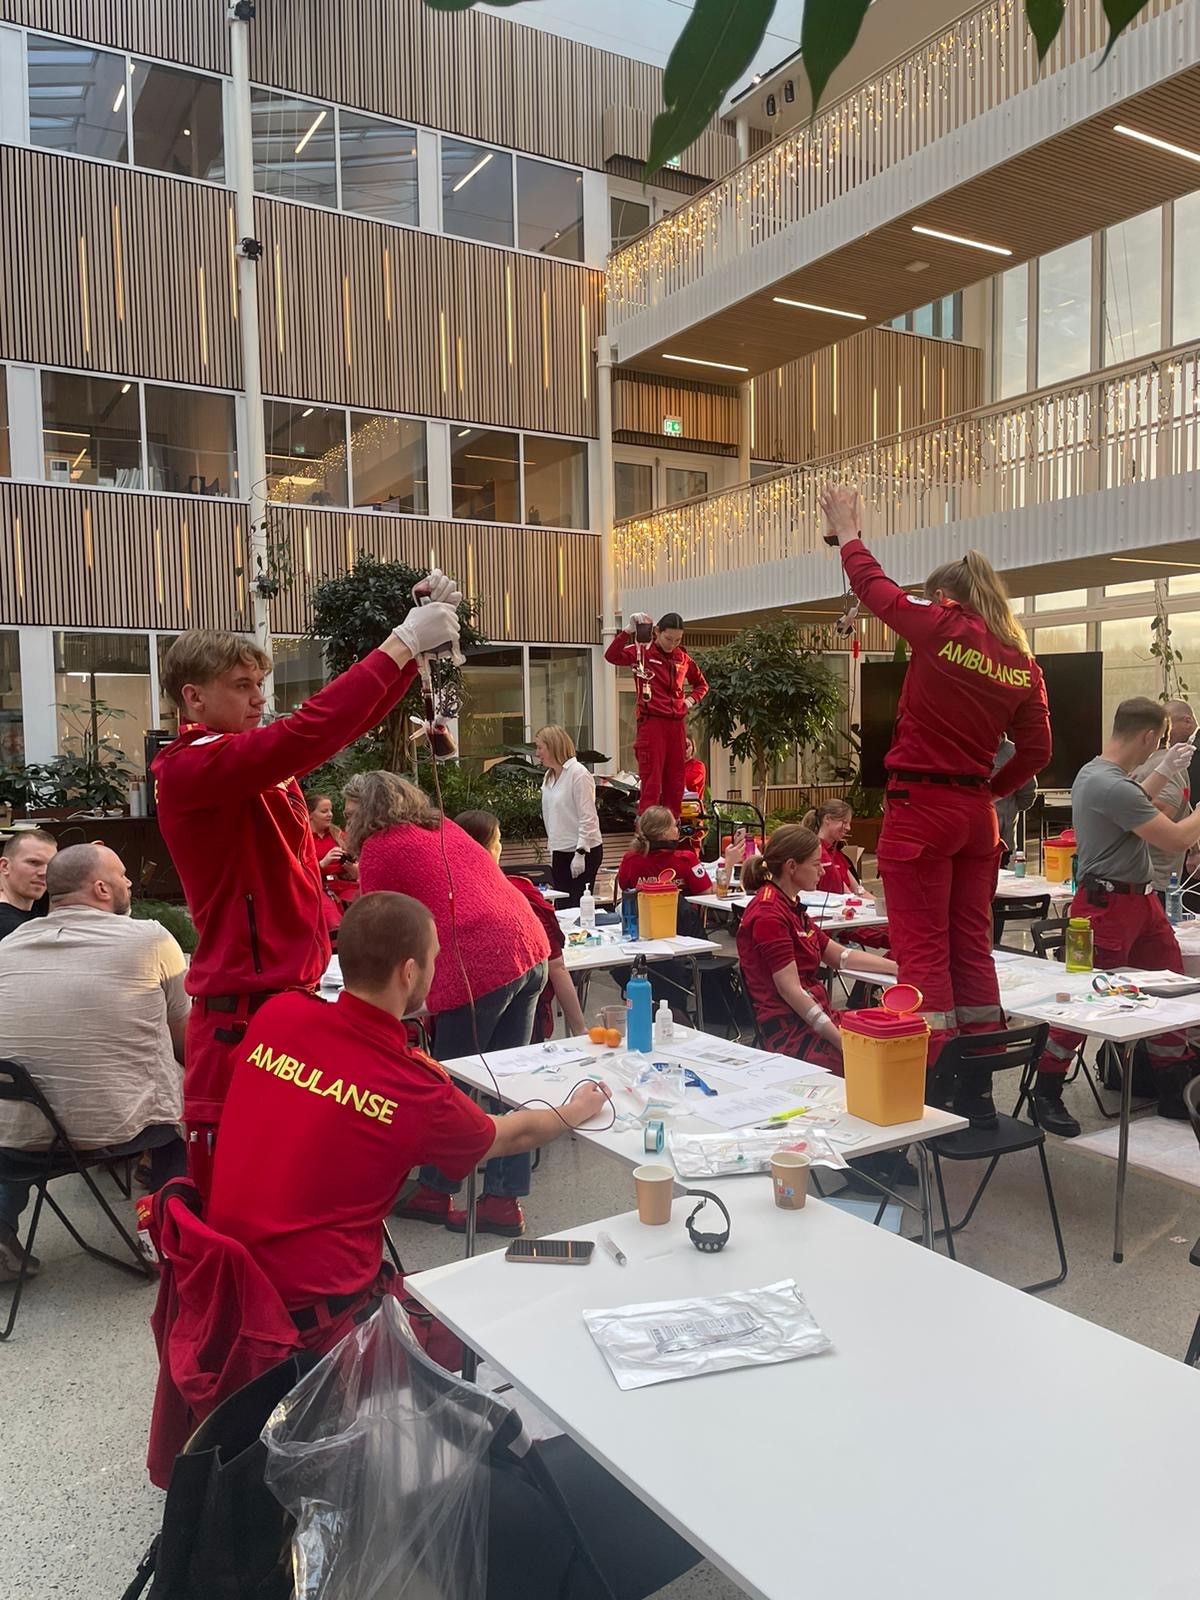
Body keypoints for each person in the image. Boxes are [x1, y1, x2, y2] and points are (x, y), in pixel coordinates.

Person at [152, 571, 462, 1196]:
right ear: (193, 698)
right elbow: (310, 730)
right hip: (241, 1020)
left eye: (260, 685)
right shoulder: (188, 767)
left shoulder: (239, 759)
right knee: (245, 1207)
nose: (258, 699)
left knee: (305, 1186)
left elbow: (327, 730)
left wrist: (409, 658)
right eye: (242, 686)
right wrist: (400, 644)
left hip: (284, 1003)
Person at [206, 893, 610, 1348]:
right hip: (320, 1316)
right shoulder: (412, 1088)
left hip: (224, 1283)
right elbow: (508, 1134)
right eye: (435, 957)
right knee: (523, 1315)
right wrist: (576, 1109)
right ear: (409, 972)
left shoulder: (280, 1013)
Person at [820, 484, 1052, 1128]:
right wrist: (989, 793)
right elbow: (1038, 751)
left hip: (920, 810)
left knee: (921, 954)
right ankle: (977, 1085)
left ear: (948, 597)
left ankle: (929, 1089)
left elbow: (876, 589)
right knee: (970, 948)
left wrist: (847, 531)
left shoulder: (944, 626)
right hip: (976, 817)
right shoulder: (1021, 662)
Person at [349, 772, 550, 1236]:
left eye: (352, 808)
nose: (347, 819)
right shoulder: (444, 826)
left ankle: (436, 1190)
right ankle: (502, 1200)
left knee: (451, 1084)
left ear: (371, 809)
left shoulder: (380, 846)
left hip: (478, 962)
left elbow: (378, 921)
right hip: (527, 946)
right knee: (506, 1083)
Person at [0, 843, 189, 1279]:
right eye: (122, 875)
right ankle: (159, 1231)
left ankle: (2, 1229)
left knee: (37, 1099)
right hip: (111, 1131)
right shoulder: (150, 938)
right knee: (185, 1096)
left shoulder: (9, 944)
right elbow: (185, 1040)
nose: (128, 882)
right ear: (101, 888)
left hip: (16, 1139)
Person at [1033, 698, 1200, 1134]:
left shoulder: (1098, 774)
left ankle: (1173, 1087)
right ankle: (1045, 1089)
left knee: (1171, 990)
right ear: (1149, 736)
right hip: (1106, 908)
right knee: (1087, 999)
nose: (1159, 750)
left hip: (1138, 903)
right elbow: (1179, 837)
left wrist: (1165, 770)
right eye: (1160, 742)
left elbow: (1134, 797)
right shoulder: (1111, 785)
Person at [736, 825, 896, 1072]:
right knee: (881, 1063)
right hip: (792, 1031)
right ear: (791, 867)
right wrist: (842, 1042)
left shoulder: (789, 905)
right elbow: (791, 991)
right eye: (816, 864)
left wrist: (898, 969)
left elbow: (840, 956)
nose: (823, 871)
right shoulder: (769, 915)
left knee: (895, 1036)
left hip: (817, 1020)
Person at [454, 808, 587, 1043]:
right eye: (499, 840)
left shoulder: (448, 896)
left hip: (462, 999)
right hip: (517, 995)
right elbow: (555, 964)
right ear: (491, 848)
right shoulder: (519, 892)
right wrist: (580, 1030)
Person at [604, 612, 708, 816]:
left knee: (675, 782)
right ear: (657, 632)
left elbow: (701, 685)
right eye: (669, 639)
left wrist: (688, 702)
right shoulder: (642, 652)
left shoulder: (682, 657)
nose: (672, 644)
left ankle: (672, 831)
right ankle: (648, 835)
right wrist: (628, 631)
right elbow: (611, 656)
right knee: (651, 782)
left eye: (678, 640)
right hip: (652, 722)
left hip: (677, 724)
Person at [1132, 698, 1197, 901]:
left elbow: (1162, 813)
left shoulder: (1162, 765)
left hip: (1154, 882)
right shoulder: (1165, 764)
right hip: (1156, 880)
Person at [535, 724, 603, 907]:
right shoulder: (549, 776)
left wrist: (580, 852)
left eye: (540, 747)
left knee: (576, 904)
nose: (537, 753)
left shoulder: (578, 774)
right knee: (562, 905)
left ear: (553, 746)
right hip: (560, 850)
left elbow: (587, 816)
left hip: (582, 851)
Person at [617, 806, 712, 901]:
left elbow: (624, 887)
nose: (678, 830)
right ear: (664, 833)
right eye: (675, 826)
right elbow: (706, 892)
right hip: (678, 914)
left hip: (642, 914)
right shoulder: (686, 859)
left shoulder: (630, 859)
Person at [306, 791, 358, 931]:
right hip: (319, 886)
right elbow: (298, 873)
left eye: (330, 810)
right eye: (324, 811)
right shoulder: (303, 839)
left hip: (345, 884)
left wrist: (353, 868)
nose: (330, 814)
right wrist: (323, 862)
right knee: (332, 920)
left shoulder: (338, 835)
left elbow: (361, 863)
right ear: (310, 814)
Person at [0, 830, 57, 941]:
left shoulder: (36, 903)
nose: (44, 872)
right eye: (34, 862)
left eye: (51, 865)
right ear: (5, 866)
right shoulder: (8, 928)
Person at [992, 736, 1038, 861]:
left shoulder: (1015, 754)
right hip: (969, 842)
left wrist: (1007, 812)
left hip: (1003, 843)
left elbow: (1027, 794)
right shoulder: (969, 749)